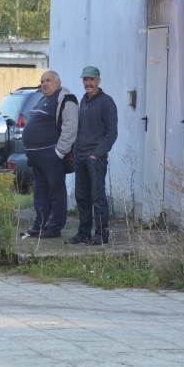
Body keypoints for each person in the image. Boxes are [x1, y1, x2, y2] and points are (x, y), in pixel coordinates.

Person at [21, 70, 78, 239]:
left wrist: (59, 153)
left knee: (56, 191)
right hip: (37, 158)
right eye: (42, 81)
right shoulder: (43, 99)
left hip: (51, 156)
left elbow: (70, 127)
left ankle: (54, 227)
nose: (44, 84)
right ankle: (40, 225)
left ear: (58, 83)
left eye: (48, 80)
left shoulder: (65, 99)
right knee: (40, 193)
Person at [66, 66, 118, 246]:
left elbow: (112, 134)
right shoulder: (84, 101)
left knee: (97, 197)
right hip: (80, 157)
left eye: (91, 80)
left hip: (95, 158)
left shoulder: (107, 102)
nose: (88, 83)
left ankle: (101, 235)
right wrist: (75, 151)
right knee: (81, 196)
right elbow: (80, 129)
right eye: (85, 80)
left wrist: (96, 154)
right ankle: (84, 233)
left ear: (98, 81)